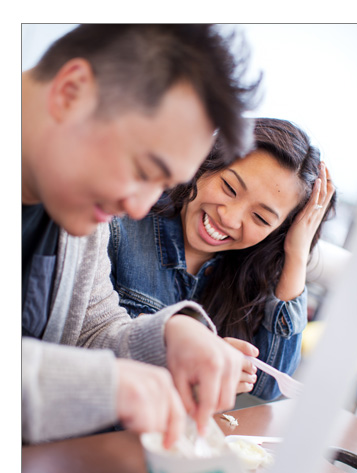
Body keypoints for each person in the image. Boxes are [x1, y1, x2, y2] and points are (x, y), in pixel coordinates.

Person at [22, 24, 262, 447]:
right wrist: (101, 385)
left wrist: (170, 335)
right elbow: (89, 371)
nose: (137, 208)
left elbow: (91, 329)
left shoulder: (72, 204)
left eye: (163, 185)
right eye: (143, 171)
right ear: (71, 92)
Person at [108, 118, 337, 400]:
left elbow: (268, 388)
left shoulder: (249, 272)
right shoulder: (123, 220)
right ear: (209, 162)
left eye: (261, 218)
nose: (229, 217)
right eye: (229, 188)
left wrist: (297, 254)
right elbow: (84, 335)